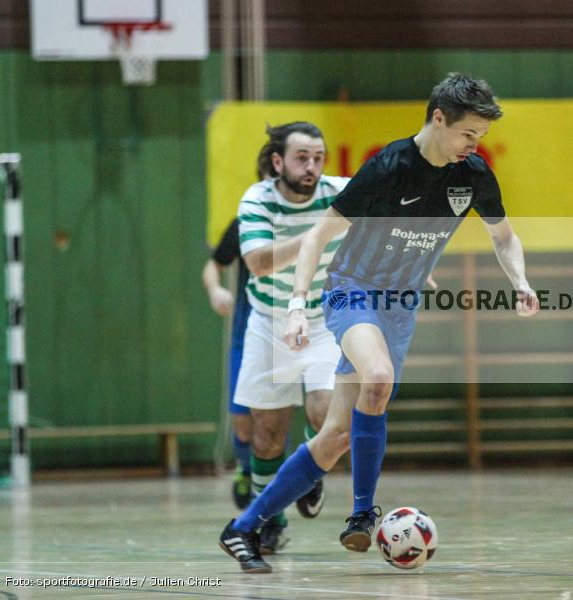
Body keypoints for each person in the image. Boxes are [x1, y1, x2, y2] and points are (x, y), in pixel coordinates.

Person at [219, 73, 540, 574]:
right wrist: (299, 305)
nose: (475, 145)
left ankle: (242, 528)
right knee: (379, 376)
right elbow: (318, 236)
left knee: (335, 437)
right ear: (439, 119)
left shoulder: (473, 175)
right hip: (352, 290)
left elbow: (504, 237)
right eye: (468, 134)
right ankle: (362, 513)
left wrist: (520, 280)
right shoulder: (389, 166)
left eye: (480, 136)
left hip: (399, 305)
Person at [228, 121, 349, 557]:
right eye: (302, 158)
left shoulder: (341, 192)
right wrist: (319, 234)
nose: (311, 166)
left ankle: (308, 471)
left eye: (318, 158)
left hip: (323, 320)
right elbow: (259, 262)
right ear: (278, 162)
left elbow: (392, 215)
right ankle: (270, 523)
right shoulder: (257, 199)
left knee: (328, 413)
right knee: (266, 435)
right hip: (270, 321)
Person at [202, 216, 255, 510]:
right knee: (242, 418)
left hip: (293, 334)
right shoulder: (247, 220)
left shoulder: (313, 217)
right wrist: (215, 290)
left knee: (276, 418)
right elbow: (214, 265)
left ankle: (302, 477)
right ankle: (245, 468)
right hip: (245, 333)